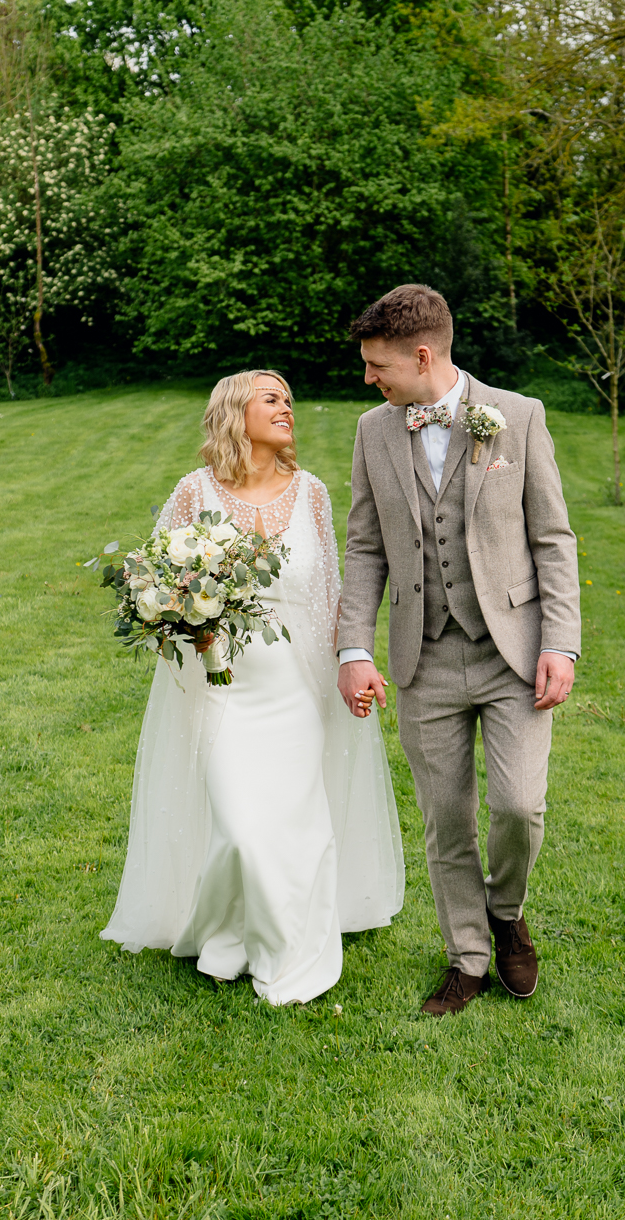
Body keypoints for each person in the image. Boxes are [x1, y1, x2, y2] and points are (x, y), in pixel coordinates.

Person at [102, 370, 405, 1005]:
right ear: (236, 412)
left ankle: (290, 950)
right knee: (240, 827)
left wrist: (350, 662)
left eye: (289, 400)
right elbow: (157, 583)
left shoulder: (313, 493)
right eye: (273, 399)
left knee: (294, 822)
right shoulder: (194, 492)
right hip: (222, 686)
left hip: (297, 684)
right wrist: (192, 626)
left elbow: (330, 591)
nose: (287, 409)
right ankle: (226, 936)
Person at [336, 285, 582, 1016]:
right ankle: (468, 957)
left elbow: (553, 540)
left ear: (421, 355)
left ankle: (506, 913)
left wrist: (561, 642)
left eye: (378, 365)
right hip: (424, 656)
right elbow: (364, 544)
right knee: (445, 817)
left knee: (517, 804)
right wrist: (354, 645)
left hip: (514, 650)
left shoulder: (519, 416)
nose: (370, 378)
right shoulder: (371, 432)